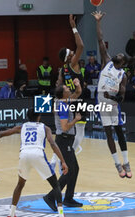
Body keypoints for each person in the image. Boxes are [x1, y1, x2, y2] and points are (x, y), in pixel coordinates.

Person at [0, 109, 69, 217]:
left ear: (27, 117)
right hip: (38, 153)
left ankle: (11, 213)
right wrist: (63, 161)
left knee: (20, 184)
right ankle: (61, 214)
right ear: (39, 117)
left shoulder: (22, 126)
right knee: (56, 185)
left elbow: (2, 134)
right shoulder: (45, 128)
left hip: (24, 154)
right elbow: (53, 144)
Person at [93, 11, 132, 178]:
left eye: (122, 56)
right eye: (119, 54)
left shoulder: (123, 75)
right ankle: (117, 164)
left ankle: (126, 162)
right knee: (108, 133)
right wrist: (98, 22)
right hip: (102, 100)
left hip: (113, 102)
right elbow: (100, 40)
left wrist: (113, 98)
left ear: (123, 62)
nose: (119, 54)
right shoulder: (107, 61)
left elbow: (122, 97)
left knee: (119, 131)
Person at [43, 78, 82, 209]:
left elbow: (78, 93)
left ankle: (69, 198)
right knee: (69, 171)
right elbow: (65, 127)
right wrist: (76, 120)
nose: (69, 90)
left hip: (66, 140)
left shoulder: (63, 101)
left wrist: (78, 85)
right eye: (67, 89)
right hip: (64, 139)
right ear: (63, 94)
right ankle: (51, 196)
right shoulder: (63, 106)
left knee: (75, 169)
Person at [56, 14, 86, 157]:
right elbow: (81, 45)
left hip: (68, 101)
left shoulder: (62, 70)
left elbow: (58, 86)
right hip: (78, 99)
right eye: (70, 52)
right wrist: (74, 27)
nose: (73, 51)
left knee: (70, 132)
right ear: (69, 57)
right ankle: (68, 155)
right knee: (80, 132)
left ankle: (61, 156)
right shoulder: (73, 63)